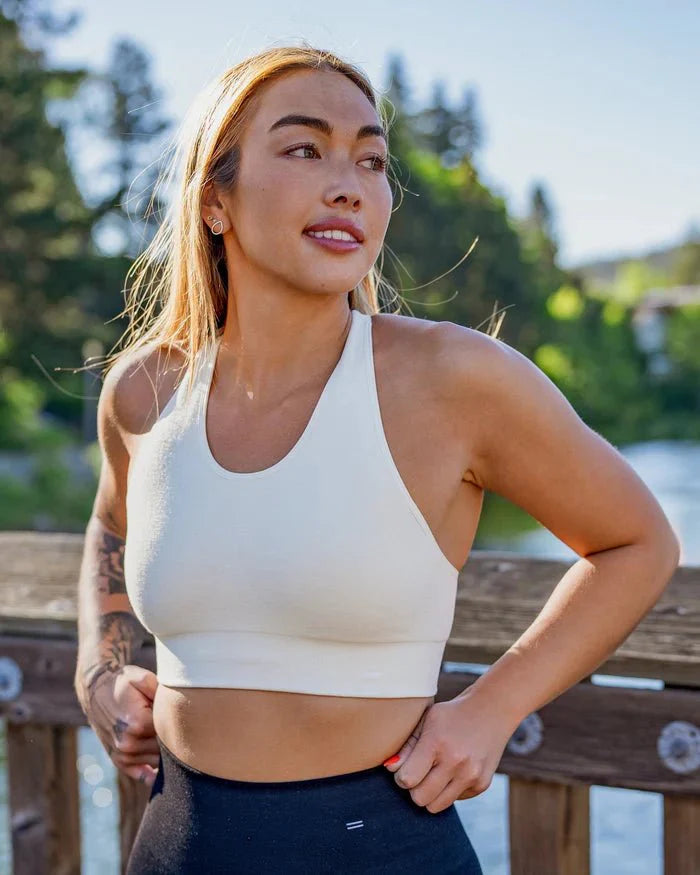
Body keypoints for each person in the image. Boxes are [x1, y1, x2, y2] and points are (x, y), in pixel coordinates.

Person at [73, 43, 680, 874]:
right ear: (216, 198)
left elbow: (638, 542)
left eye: (371, 159)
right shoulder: (145, 390)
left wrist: (490, 709)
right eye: (303, 148)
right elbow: (110, 521)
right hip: (178, 842)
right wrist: (99, 672)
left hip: (383, 842)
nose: (348, 182)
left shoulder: (453, 379)